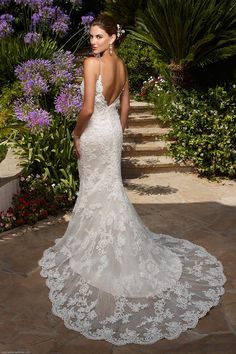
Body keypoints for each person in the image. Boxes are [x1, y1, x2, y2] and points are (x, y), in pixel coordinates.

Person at [38, 14, 226, 346]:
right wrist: (117, 133)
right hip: (110, 132)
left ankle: (99, 249)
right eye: (91, 36)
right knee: (108, 190)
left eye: (98, 36)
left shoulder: (90, 63)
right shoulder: (122, 66)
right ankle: (105, 242)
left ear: (112, 37)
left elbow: (84, 109)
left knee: (97, 190)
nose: (93, 41)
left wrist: (75, 134)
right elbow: (124, 108)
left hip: (95, 131)